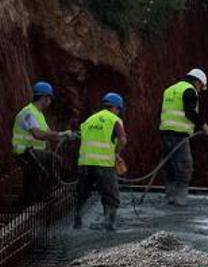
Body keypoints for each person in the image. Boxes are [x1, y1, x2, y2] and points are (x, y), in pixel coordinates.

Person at [11, 81, 76, 206]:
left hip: (34, 153)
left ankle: (24, 203)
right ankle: (46, 195)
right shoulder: (29, 112)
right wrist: (61, 134)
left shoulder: (38, 114)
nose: (50, 102)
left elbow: (48, 133)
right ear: (45, 98)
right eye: (49, 98)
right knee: (53, 161)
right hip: (25, 152)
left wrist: (65, 136)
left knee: (32, 181)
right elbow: (38, 134)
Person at [159, 68, 208, 207]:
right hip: (180, 134)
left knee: (169, 166)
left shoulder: (169, 90)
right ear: (197, 81)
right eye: (201, 86)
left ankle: (169, 197)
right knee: (184, 166)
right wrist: (203, 126)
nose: (200, 90)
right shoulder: (190, 90)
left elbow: (160, 111)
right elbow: (190, 112)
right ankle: (180, 199)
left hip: (165, 134)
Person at [74, 92, 127, 231]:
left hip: (85, 164)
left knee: (83, 194)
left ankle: (78, 224)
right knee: (110, 196)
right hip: (104, 165)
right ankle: (109, 225)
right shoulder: (114, 119)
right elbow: (122, 140)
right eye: (119, 109)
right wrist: (115, 152)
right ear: (116, 107)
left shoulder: (89, 120)